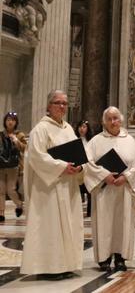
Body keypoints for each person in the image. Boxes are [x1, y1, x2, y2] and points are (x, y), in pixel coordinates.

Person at [20, 90, 84, 279]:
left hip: (68, 185)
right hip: (48, 188)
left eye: (64, 103)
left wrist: (79, 167)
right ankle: (48, 267)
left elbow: (77, 152)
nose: (62, 107)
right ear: (49, 106)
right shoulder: (40, 129)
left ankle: (65, 265)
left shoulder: (68, 129)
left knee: (68, 225)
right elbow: (37, 157)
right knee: (51, 226)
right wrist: (62, 166)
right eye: (58, 103)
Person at [84, 107, 135, 272]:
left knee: (122, 223)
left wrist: (126, 177)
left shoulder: (130, 140)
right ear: (104, 121)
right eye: (109, 119)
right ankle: (104, 257)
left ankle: (120, 257)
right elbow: (88, 162)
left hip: (123, 188)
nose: (112, 122)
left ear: (121, 120)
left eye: (115, 118)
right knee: (104, 222)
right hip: (104, 189)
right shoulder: (95, 141)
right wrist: (104, 175)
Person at [0, 112, 25, 221]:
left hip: (13, 166)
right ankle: (1, 213)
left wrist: (16, 141)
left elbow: (25, 148)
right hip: (1, 165)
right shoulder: (0, 135)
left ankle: (19, 204)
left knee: (10, 190)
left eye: (12, 120)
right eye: (8, 120)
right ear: (5, 122)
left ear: (16, 122)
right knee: (1, 190)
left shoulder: (20, 134)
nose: (10, 122)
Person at [75, 120, 93, 217]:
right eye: (80, 127)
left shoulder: (91, 141)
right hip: (77, 170)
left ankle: (90, 212)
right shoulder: (73, 140)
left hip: (88, 170)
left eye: (84, 127)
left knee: (90, 191)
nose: (82, 129)